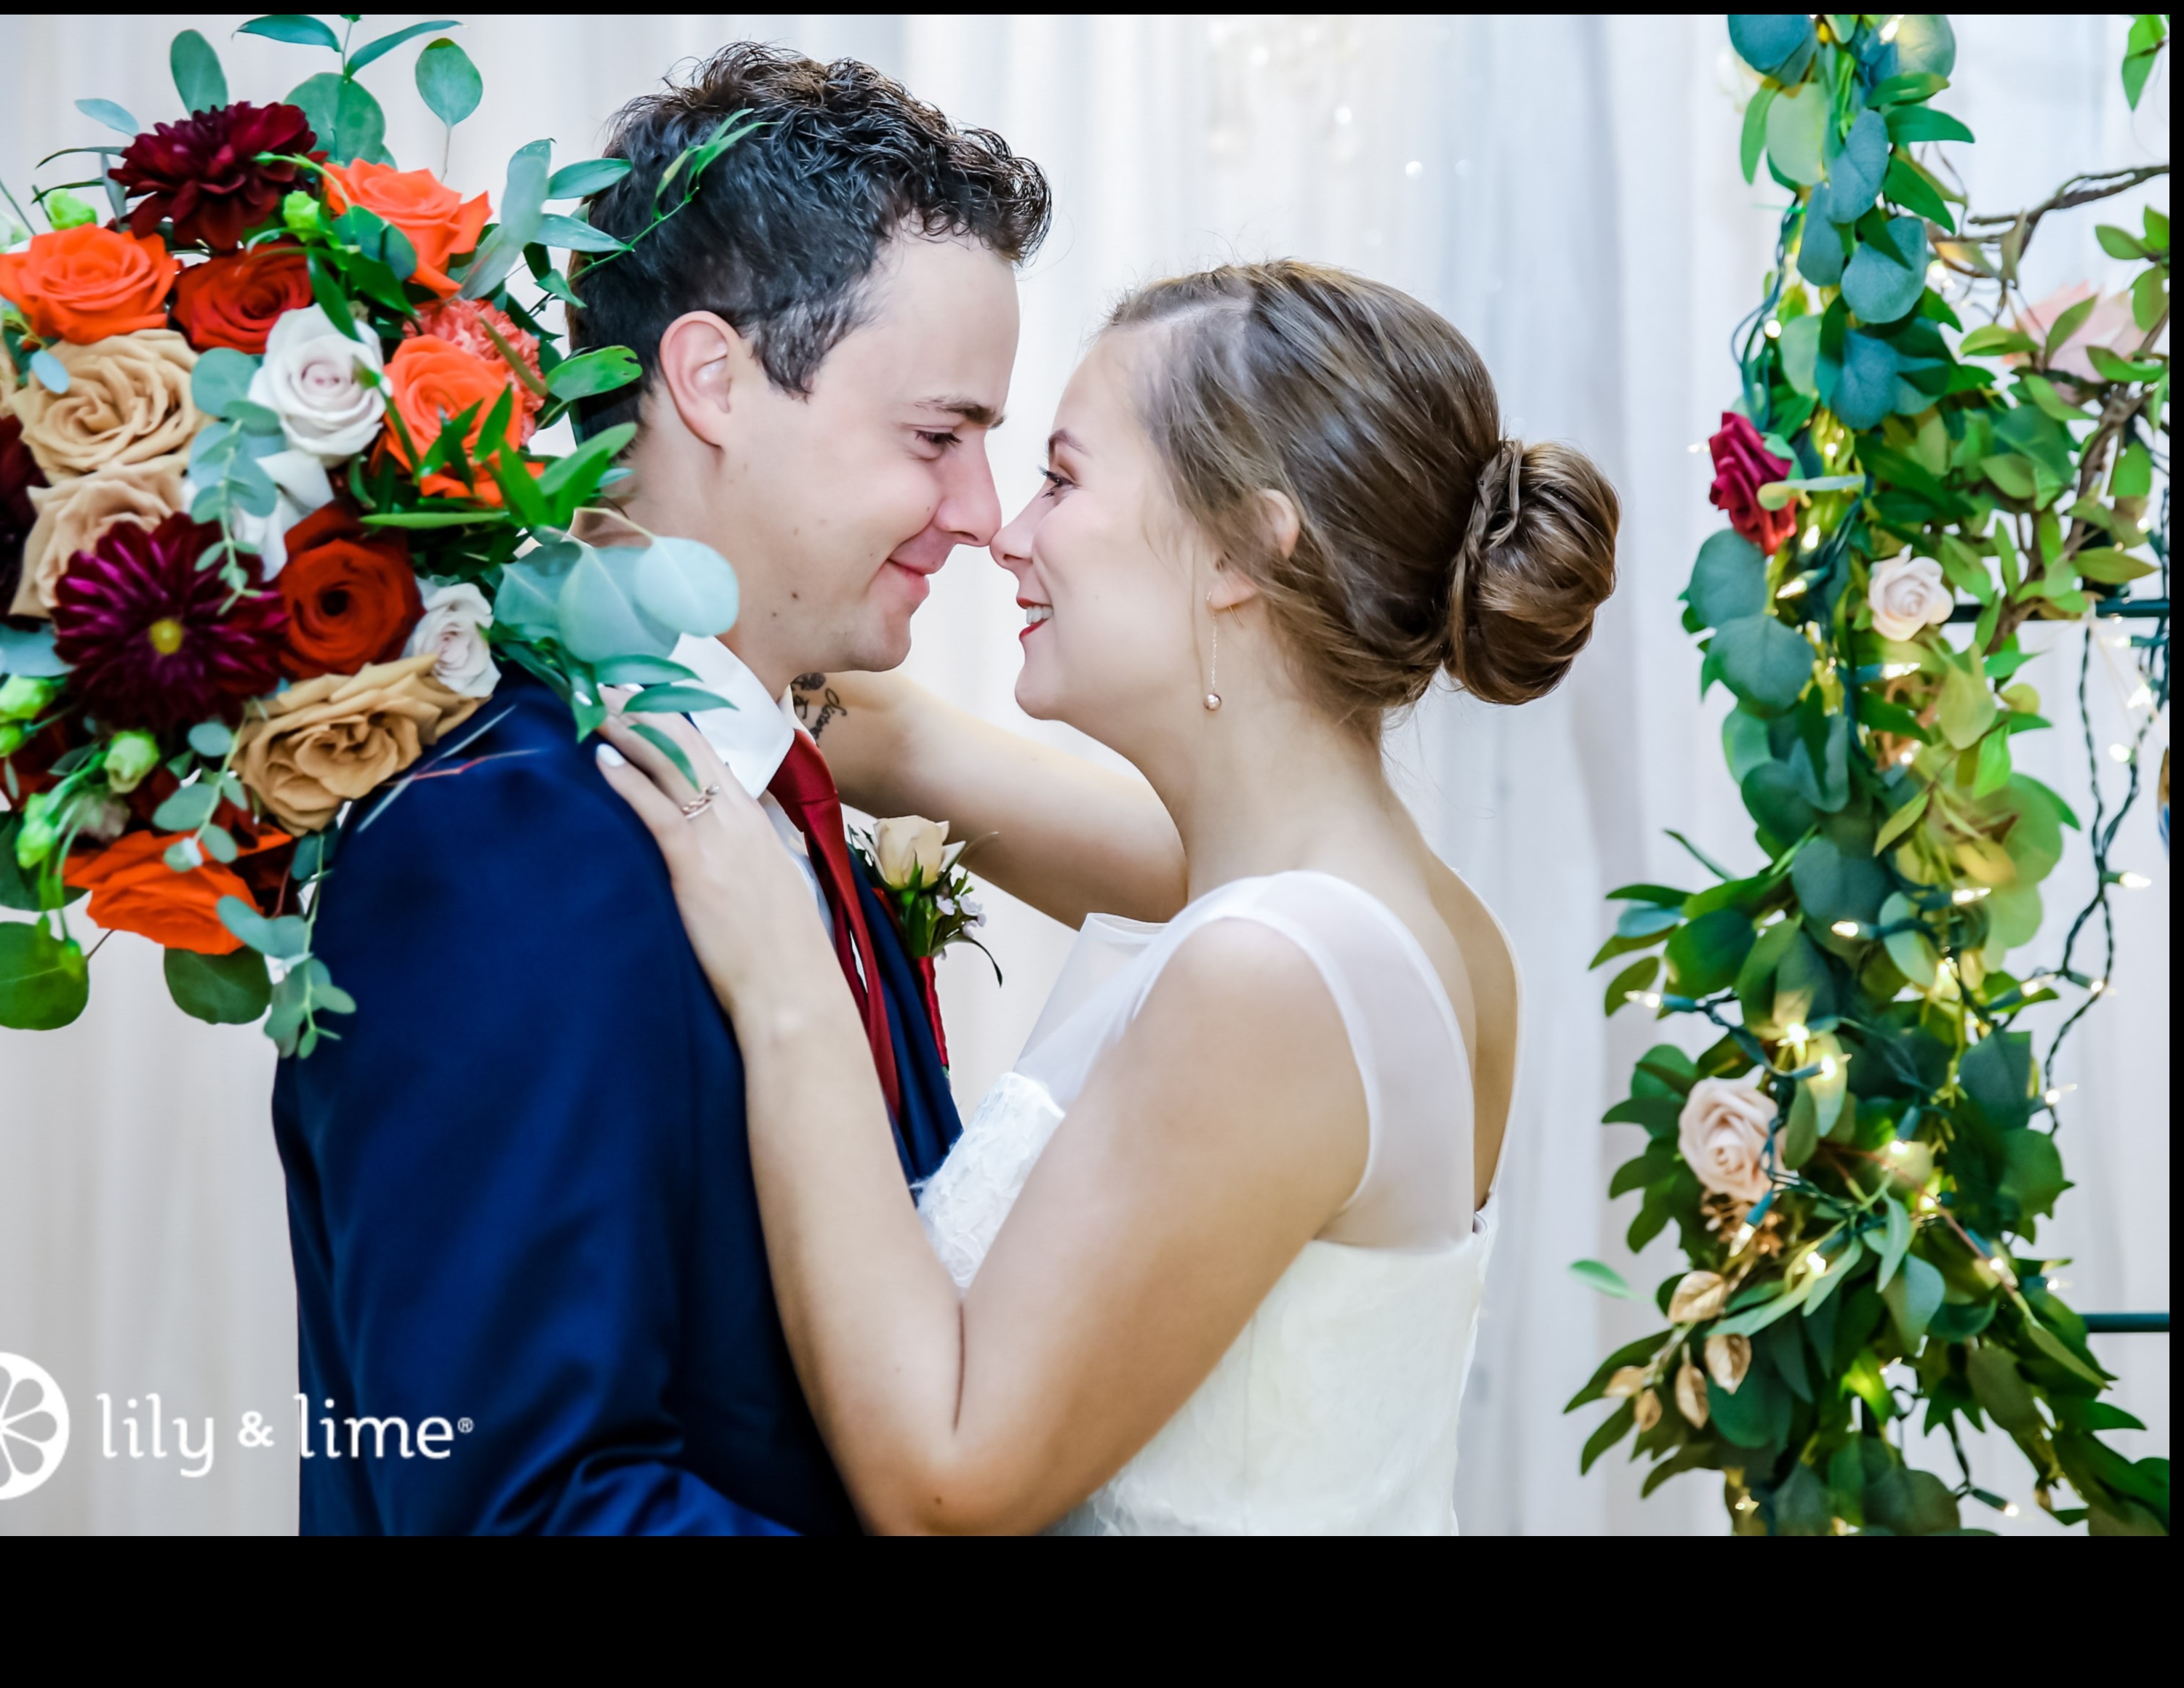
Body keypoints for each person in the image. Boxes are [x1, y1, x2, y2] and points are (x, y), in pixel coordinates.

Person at [595, 260, 1620, 1533]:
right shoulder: (1403, 913)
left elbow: (942, 1484)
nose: (1004, 531)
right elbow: (892, 739)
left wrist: (786, 980)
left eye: (1063, 478)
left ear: (1248, 546)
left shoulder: (1278, 977)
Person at [271, 46, 1056, 1534]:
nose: (979, 515)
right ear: (713, 380)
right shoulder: (501, 845)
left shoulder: (774, 791)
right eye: (939, 438)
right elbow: (523, 1504)